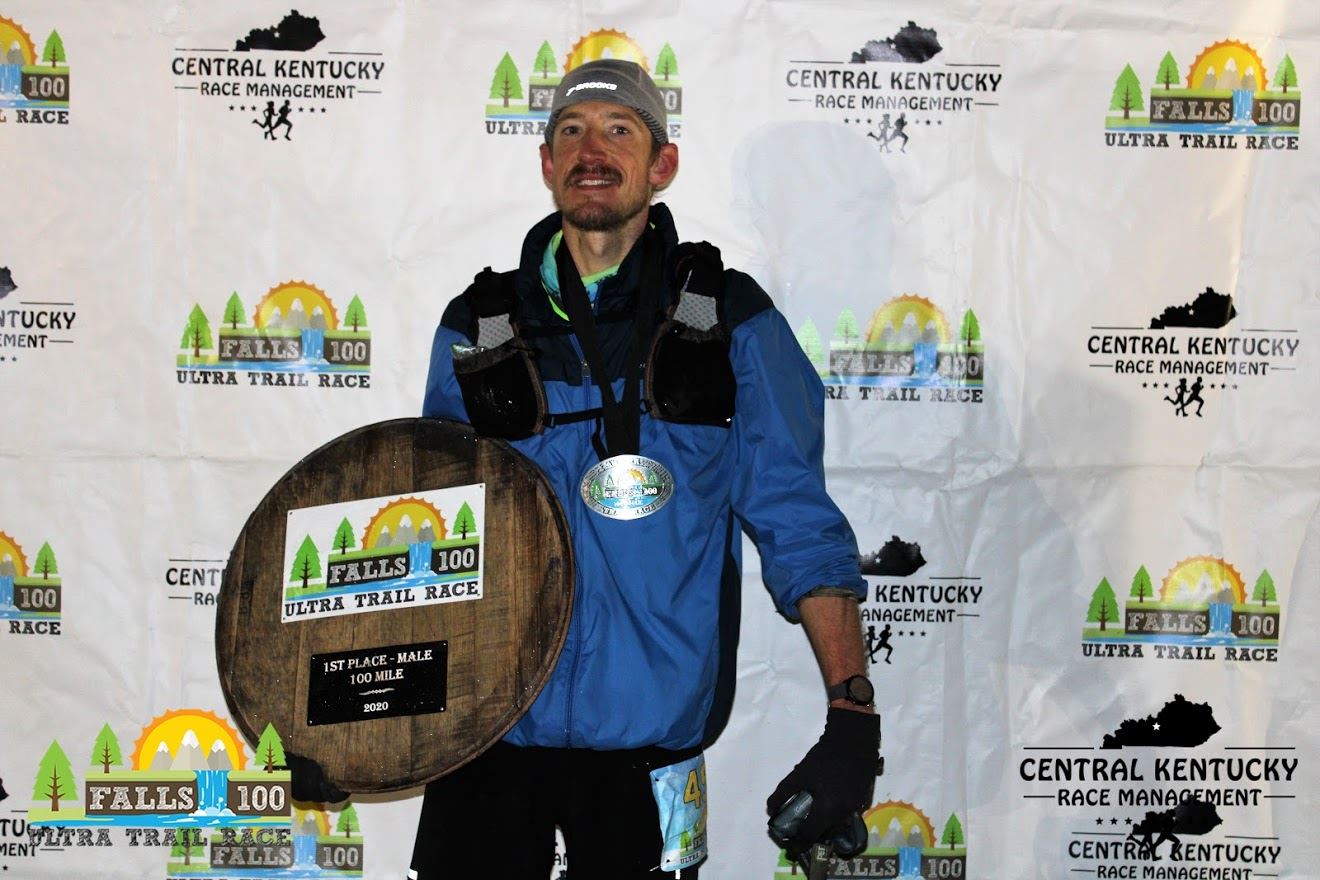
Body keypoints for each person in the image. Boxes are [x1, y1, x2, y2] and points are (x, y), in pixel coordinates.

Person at [408, 58, 879, 879]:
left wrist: (852, 720)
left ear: (662, 164)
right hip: (484, 746)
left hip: (648, 758)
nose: (592, 150)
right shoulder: (479, 327)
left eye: (618, 130)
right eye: (571, 131)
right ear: (547, 163)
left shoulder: (728, 319)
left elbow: (799, 522)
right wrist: (342, 714)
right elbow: (425, 536)